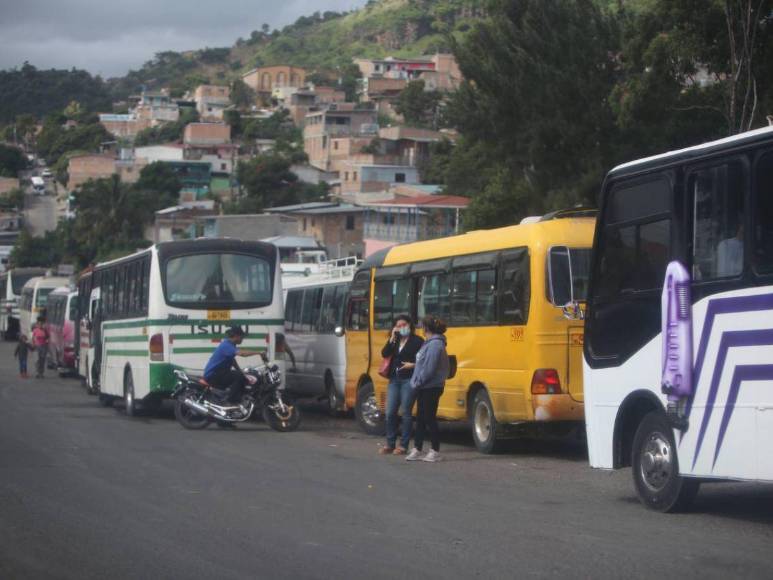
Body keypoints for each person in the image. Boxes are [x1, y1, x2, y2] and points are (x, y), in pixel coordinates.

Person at [406, 316, 450, 463]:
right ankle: (417, 448)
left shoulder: (435, 344)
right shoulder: (429, 343)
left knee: (429, 418)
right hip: (424, 386)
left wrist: (417, 382)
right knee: (420, 418)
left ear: (426, 328)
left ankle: (435, 450)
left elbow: (429, 368)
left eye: (422, 326)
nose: (420, 328)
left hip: (431, 386)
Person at [379, 314, 424, 455]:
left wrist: (413, 365)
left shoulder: (417, 341)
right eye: (398, 326)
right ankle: (390, 443)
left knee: (406, 412)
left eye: (404, 325)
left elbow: (423, 360)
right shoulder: (395, 340)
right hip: (394, 379)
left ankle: (403, 445)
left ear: (410, 326)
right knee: (390, 412)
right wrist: (392, 338)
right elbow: (384, 353)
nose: (401, 328)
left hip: (409, 380)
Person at [203, 326, 263, 411]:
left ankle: (226, 415)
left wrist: (240, 371)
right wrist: (258, 352)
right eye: (242, 337)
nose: (242, 339)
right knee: (239, 377)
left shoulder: (230, 345)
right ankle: (230, 401)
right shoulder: (227, 345)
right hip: (213, 375)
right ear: (236, 336)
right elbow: (242, 354)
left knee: (241, 376)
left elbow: (232, 360)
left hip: (220, 373)